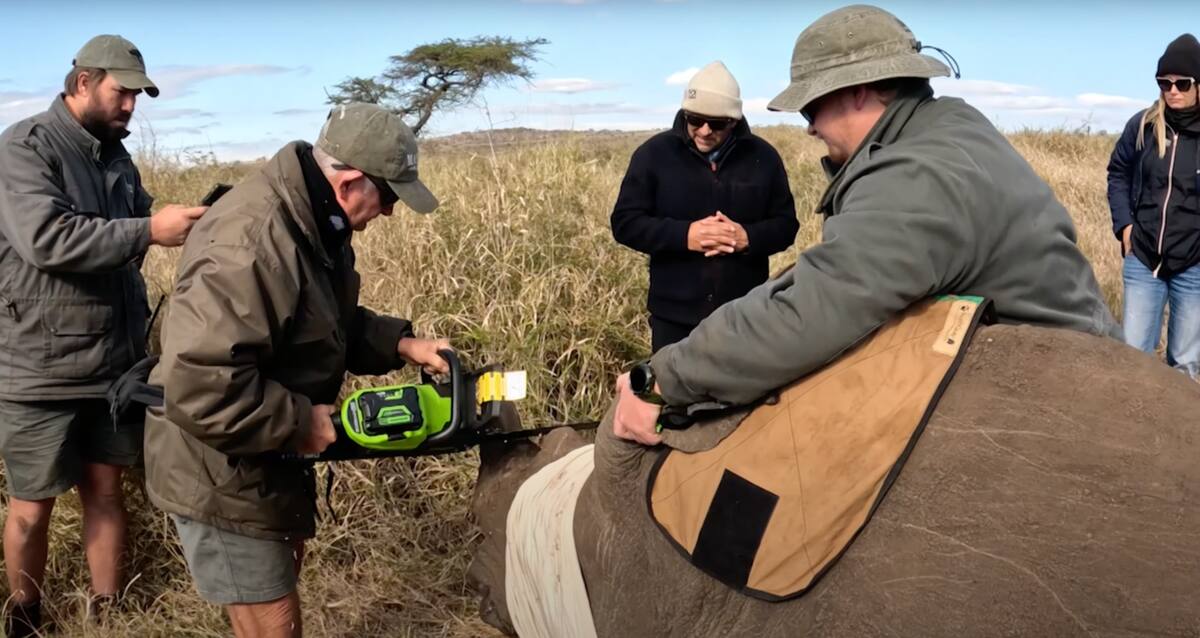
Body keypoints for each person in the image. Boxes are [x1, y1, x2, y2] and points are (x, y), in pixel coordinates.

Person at [611, 4, 1121, 445]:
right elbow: (629, 222)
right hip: (1063, 358)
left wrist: (660, 378)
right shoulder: (952, 126)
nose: (809, 125)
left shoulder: (914, 174)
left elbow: (812, 309)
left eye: (812, 104)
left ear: (858, 92)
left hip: (1052, 388)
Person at [142, 102, 451, 638]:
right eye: (390, 197)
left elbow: (321, 320)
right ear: (352, 182)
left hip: (260, 452)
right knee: (274, 627)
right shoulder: (252, 241)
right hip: (220, 467)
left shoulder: (314, 220)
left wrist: (402, 344)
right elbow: (200, 385)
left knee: (277, 590)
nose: (392, 213)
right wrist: (300, 422)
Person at [0, 34, 207, 635]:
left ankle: (107, 612)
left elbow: (141, 219)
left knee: (106, 490)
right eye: (122, 93)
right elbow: (48, 240)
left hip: (113, 362)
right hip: (39, 366)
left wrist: (193, 221)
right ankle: (26, 614)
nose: (130, 107)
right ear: (84, 82)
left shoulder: (116, 155)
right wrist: (148, 230)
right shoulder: (25, 149)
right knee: (32, 506)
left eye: (138, 96)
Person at [611, 61, 798, 352]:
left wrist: (747, 238)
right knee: (674, 396)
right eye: (695, 119)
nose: (705, 131)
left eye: (718, 123)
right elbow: (624, 223)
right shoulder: (653, 155)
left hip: (745, 315)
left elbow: (786, 226)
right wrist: (685, 236)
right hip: (673, 320)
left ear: (734, 120)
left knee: (742, 396)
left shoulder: (764, 157)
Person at [1107, 34, 1200, 380]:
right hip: (1143, 259)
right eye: (1164, 83)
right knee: (1132, 360)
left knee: (1185, 366)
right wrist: (1125, 227)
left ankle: (1181, 435)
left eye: (1182, 83)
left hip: (1193, 265)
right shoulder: (1143, 125)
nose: (1172, 90)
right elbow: (1117, 172)